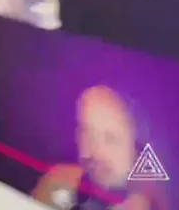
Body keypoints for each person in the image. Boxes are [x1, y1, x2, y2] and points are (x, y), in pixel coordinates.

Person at [32, 86, 169, 210]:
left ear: (138, 147)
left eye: (111, 138)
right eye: (86, 132)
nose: (95, 151)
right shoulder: (57, 182)